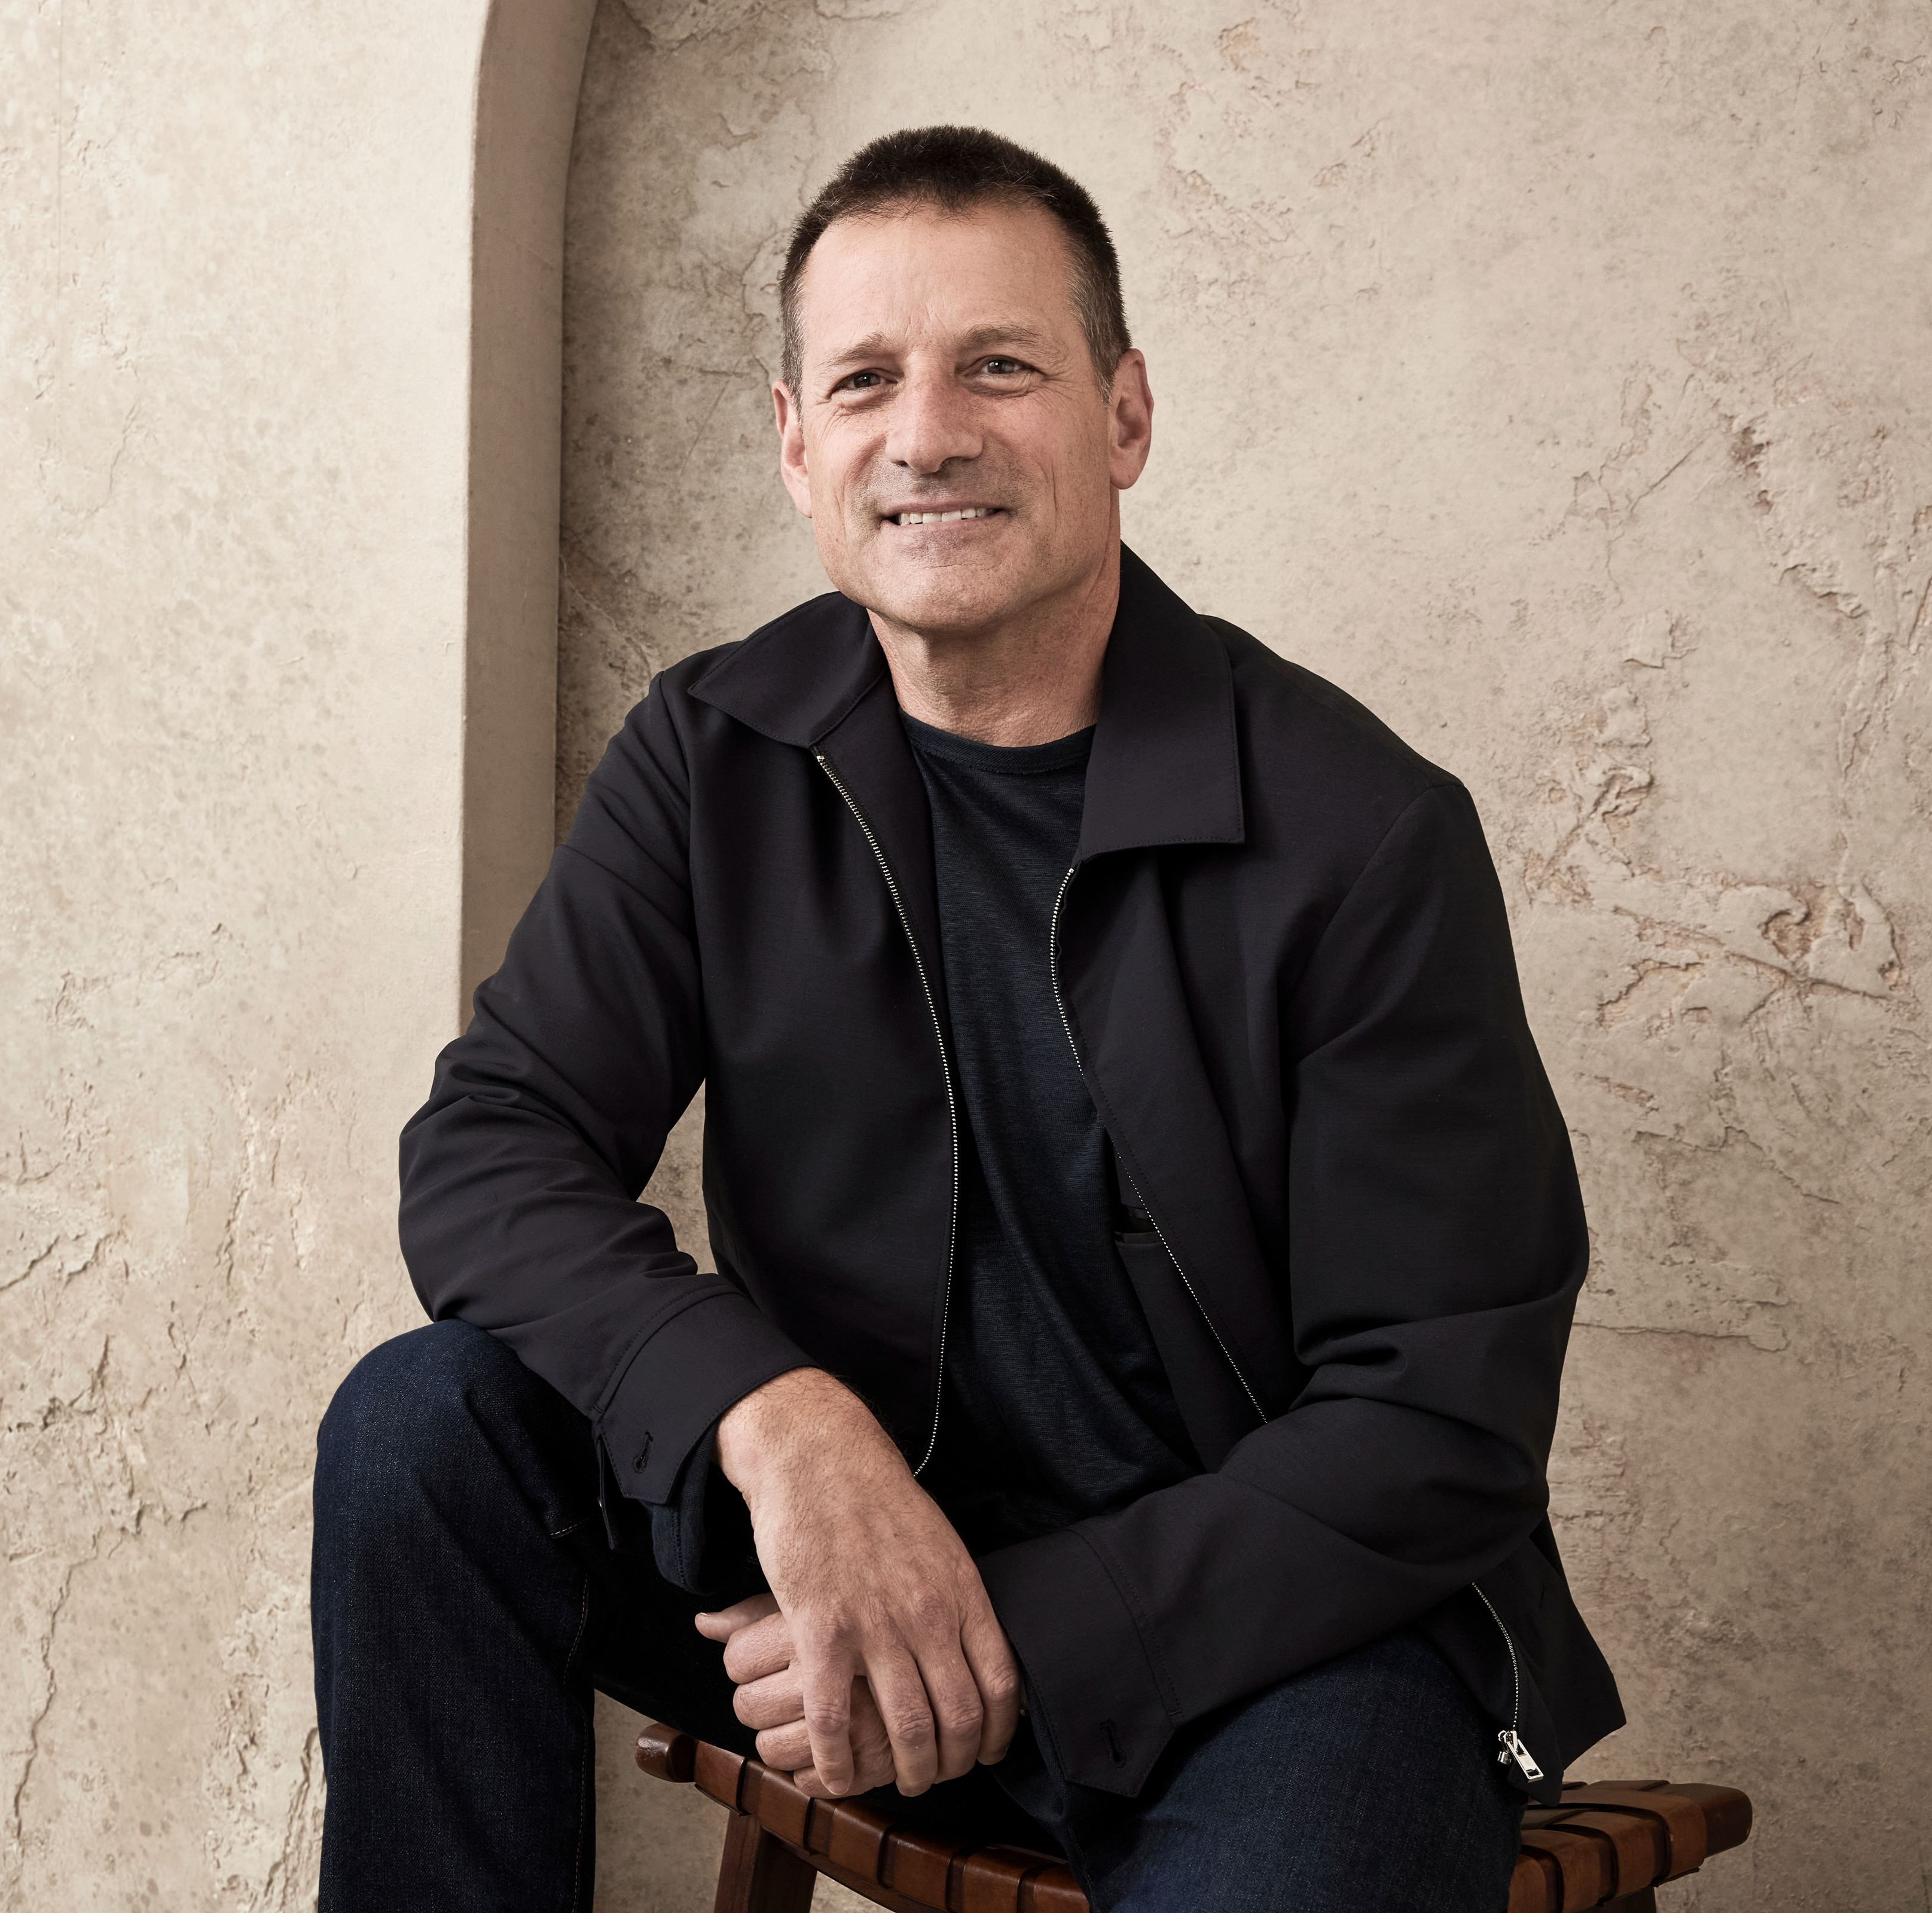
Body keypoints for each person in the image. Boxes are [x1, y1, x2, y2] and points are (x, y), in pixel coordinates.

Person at [312, 125, 1622, 1912]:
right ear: (797, 444)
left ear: (1124, 415)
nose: (926, 433)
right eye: (866, 380)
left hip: (1274, 1654)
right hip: (827, 1583)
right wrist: (777, 1421)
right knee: (426, 1429)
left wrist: (1014, 1626)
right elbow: (492, 1152)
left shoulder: (1363, 831)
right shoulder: (714, 754)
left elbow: (1438, 1423)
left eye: (999, 365)